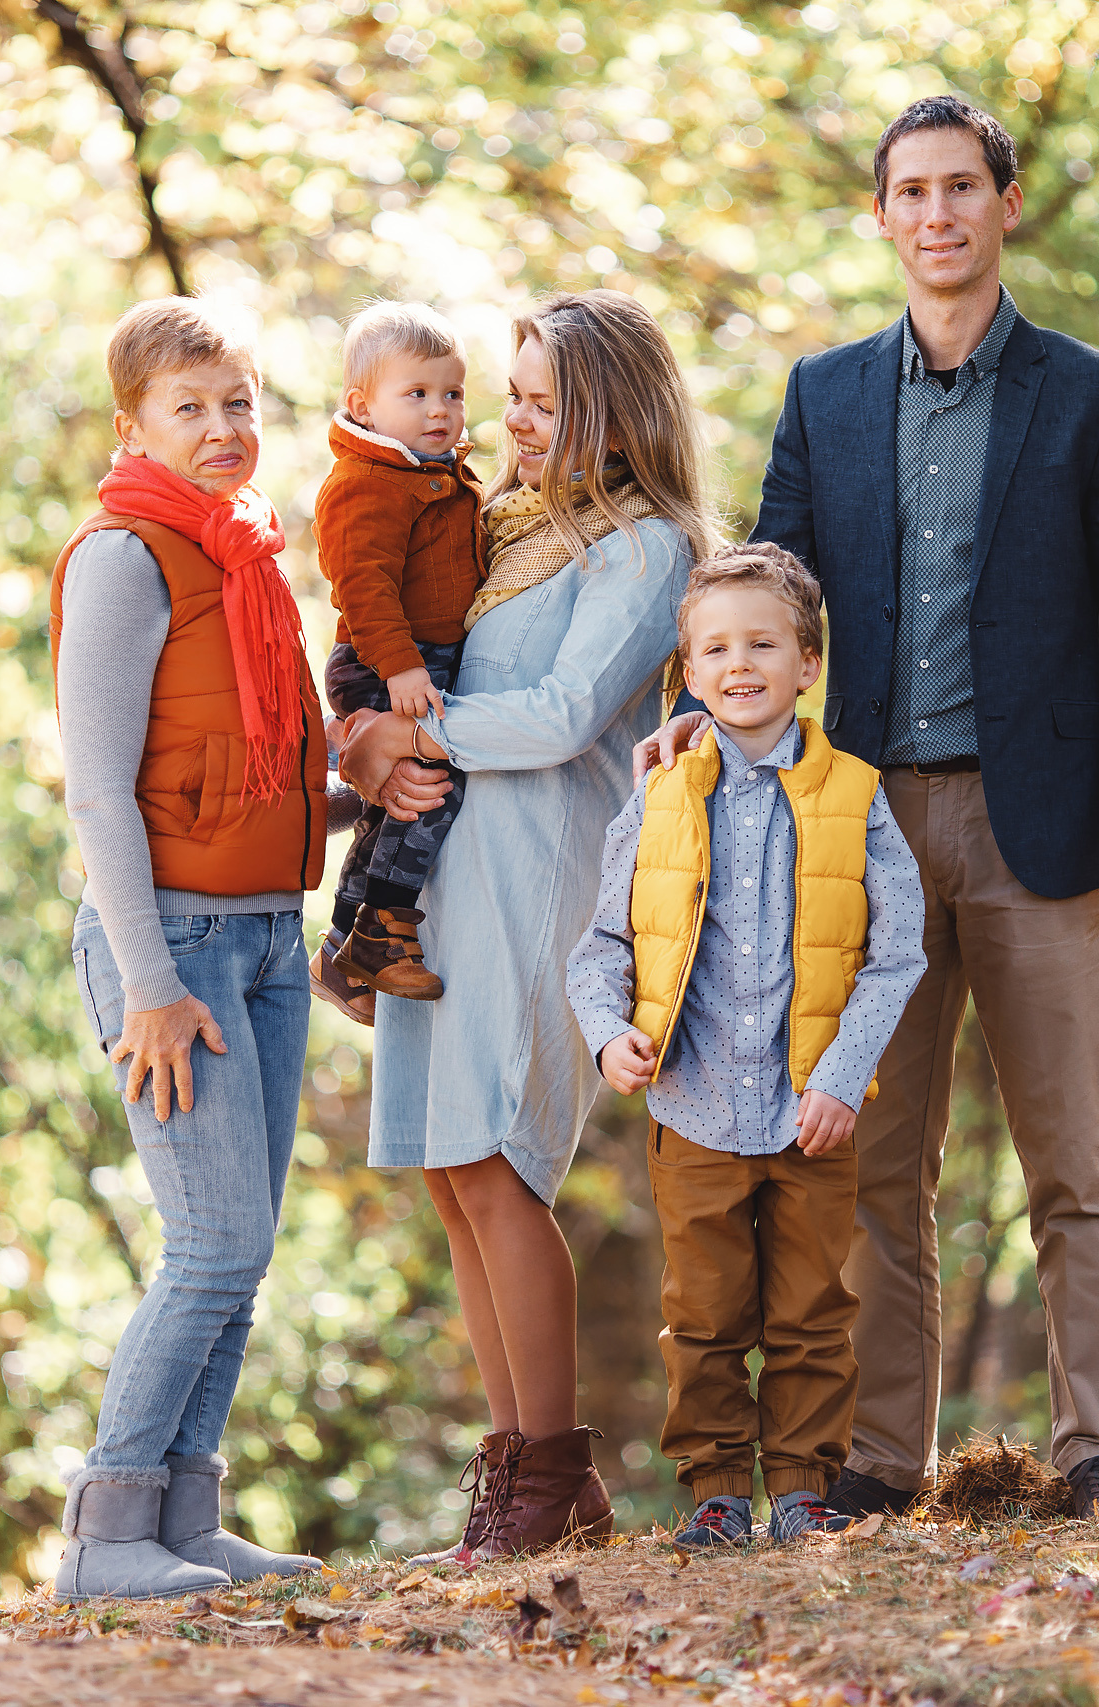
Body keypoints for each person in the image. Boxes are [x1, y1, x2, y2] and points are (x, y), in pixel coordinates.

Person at [639, 94, 1099, 1520]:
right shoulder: (826, 394)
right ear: (881, 217)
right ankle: (878, 1460)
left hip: (1051, 829)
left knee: (1076, 1153)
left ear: (1006, 205)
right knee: (875, 1167)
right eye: (913, 192)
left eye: (964, 188)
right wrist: (693, 728)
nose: (938, 214)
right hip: (860, 832)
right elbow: (762, 596)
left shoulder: (1094, 392)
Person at [335, 290, 718, 1560]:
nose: (513, 417)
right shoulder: (503, 530)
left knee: (501, 1164)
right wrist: (369, 740)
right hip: (452, 865)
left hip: (545, 868)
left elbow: (559, 717)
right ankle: (528, 1477)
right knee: (454, 1171)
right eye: (515, 392)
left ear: (613, 409)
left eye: (544, 398)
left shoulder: (645, 547)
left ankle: (550, 1472)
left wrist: (417, 732)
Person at [44, 296, 332, 1598]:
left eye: (238, 403)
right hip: (171, 946)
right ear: (134, 424)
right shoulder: (125, 556)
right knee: (209, 1241)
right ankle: (108, 1531)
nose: (222, 429)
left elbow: (267, 753)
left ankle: (187, 1513)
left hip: (270, 931)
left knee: (246, 1243)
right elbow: (98, 789)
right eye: (189, 407)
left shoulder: (251, 556)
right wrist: (148, 984)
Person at [567, 544, 925, 1548]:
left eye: (763, 644)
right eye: (715, 649)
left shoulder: (856, 795)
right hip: (693, 1105)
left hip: (815, 1111)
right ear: (688, 674)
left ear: (807, 662)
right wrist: (609, 1040)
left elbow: (896, 956)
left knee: (812, 1311)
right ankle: (718, 1490)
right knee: (706, 1315)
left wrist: (843, 1081)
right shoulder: (660, 798)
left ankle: (804, 1488)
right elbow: (597, 952)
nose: (739, 665)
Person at [310, 301, 485, 1019]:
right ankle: (381, 929)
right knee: (426, 789)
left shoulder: (433, 471)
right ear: (364, 405)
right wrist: (401, 667)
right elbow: (365, 586)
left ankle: (343, 951)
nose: (439, 410)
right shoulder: (366, 483)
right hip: (383, 660)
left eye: (452, 393)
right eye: (415, 394)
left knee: (400, 801)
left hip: (419, 657)